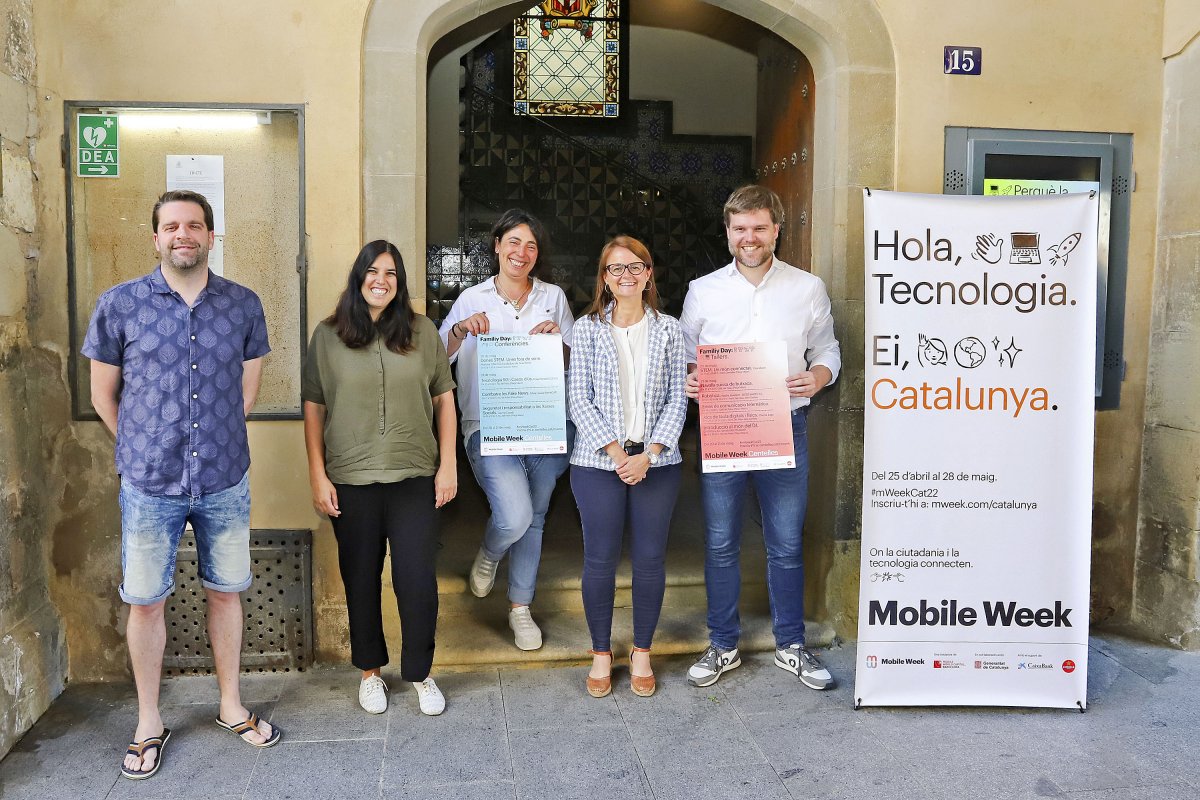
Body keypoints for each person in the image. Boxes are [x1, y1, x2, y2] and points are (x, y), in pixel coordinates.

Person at [83, 189, 281, 781]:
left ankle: (230, 705)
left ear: (211, 236)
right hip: (149, 482)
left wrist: (214, 439)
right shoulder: (119, 305)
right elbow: (102, 393)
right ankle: (148, 720)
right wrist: (139, 446)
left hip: (224, 477)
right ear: (156, 237)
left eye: (195, 225)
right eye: (172, 226)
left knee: (227, 591)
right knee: (145, 601)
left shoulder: (243, 306)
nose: (183, 234)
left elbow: (247, 392)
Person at [679, 185, 841, 691]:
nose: (749, 238)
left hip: (784, 426)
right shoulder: (703, 290)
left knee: (786, 543)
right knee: (722, 542)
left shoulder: (807, 287)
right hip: (724, 426)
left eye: (759, 228)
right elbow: (684, 354)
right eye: (740, 229)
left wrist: (818, 377)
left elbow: (828, 350)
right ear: (727, 232)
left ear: (776, 230)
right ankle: (723, 644)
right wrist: (691, 378)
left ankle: (791, 645)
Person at [303, 240, 457, 716]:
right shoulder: (328, 335)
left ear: (400, 282)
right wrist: (317, 474)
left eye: (391, 273)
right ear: (358, 277)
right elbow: (313, 405)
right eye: (372, 271)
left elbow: (444, 399)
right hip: (350, 478)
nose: (381, 280)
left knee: (416, 579)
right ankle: (370, 672)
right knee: (361, 577)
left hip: (414, 475)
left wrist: (447, 465)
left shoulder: (422, 331)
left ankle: (420, 673)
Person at [438, 209, 575, 651]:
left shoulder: (553, 297)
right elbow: (437, 360)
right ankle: (490, 554)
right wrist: (460, 329)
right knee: (514, 514)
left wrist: (561, 341)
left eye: (531, 245)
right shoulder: (471, 297)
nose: (522, 251)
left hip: (544, 421)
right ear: (497, 245)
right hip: (487, 424)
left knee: (534, 518)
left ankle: (520, 608)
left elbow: (576, 360)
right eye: (514, 241)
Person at [568, 236, 686, 698]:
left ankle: (641, 651)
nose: (626, 276)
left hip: (659, 460)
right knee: (599, 559)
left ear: (649, 273)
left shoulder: (671, 330)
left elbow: (679, 397)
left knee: (651, 559)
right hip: (598, 463)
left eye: (635, 267)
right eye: (615, 269)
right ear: (604, 279)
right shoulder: (587, 329)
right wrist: (619, 455)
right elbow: (579, 399)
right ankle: (601, 651)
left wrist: (649, 454)